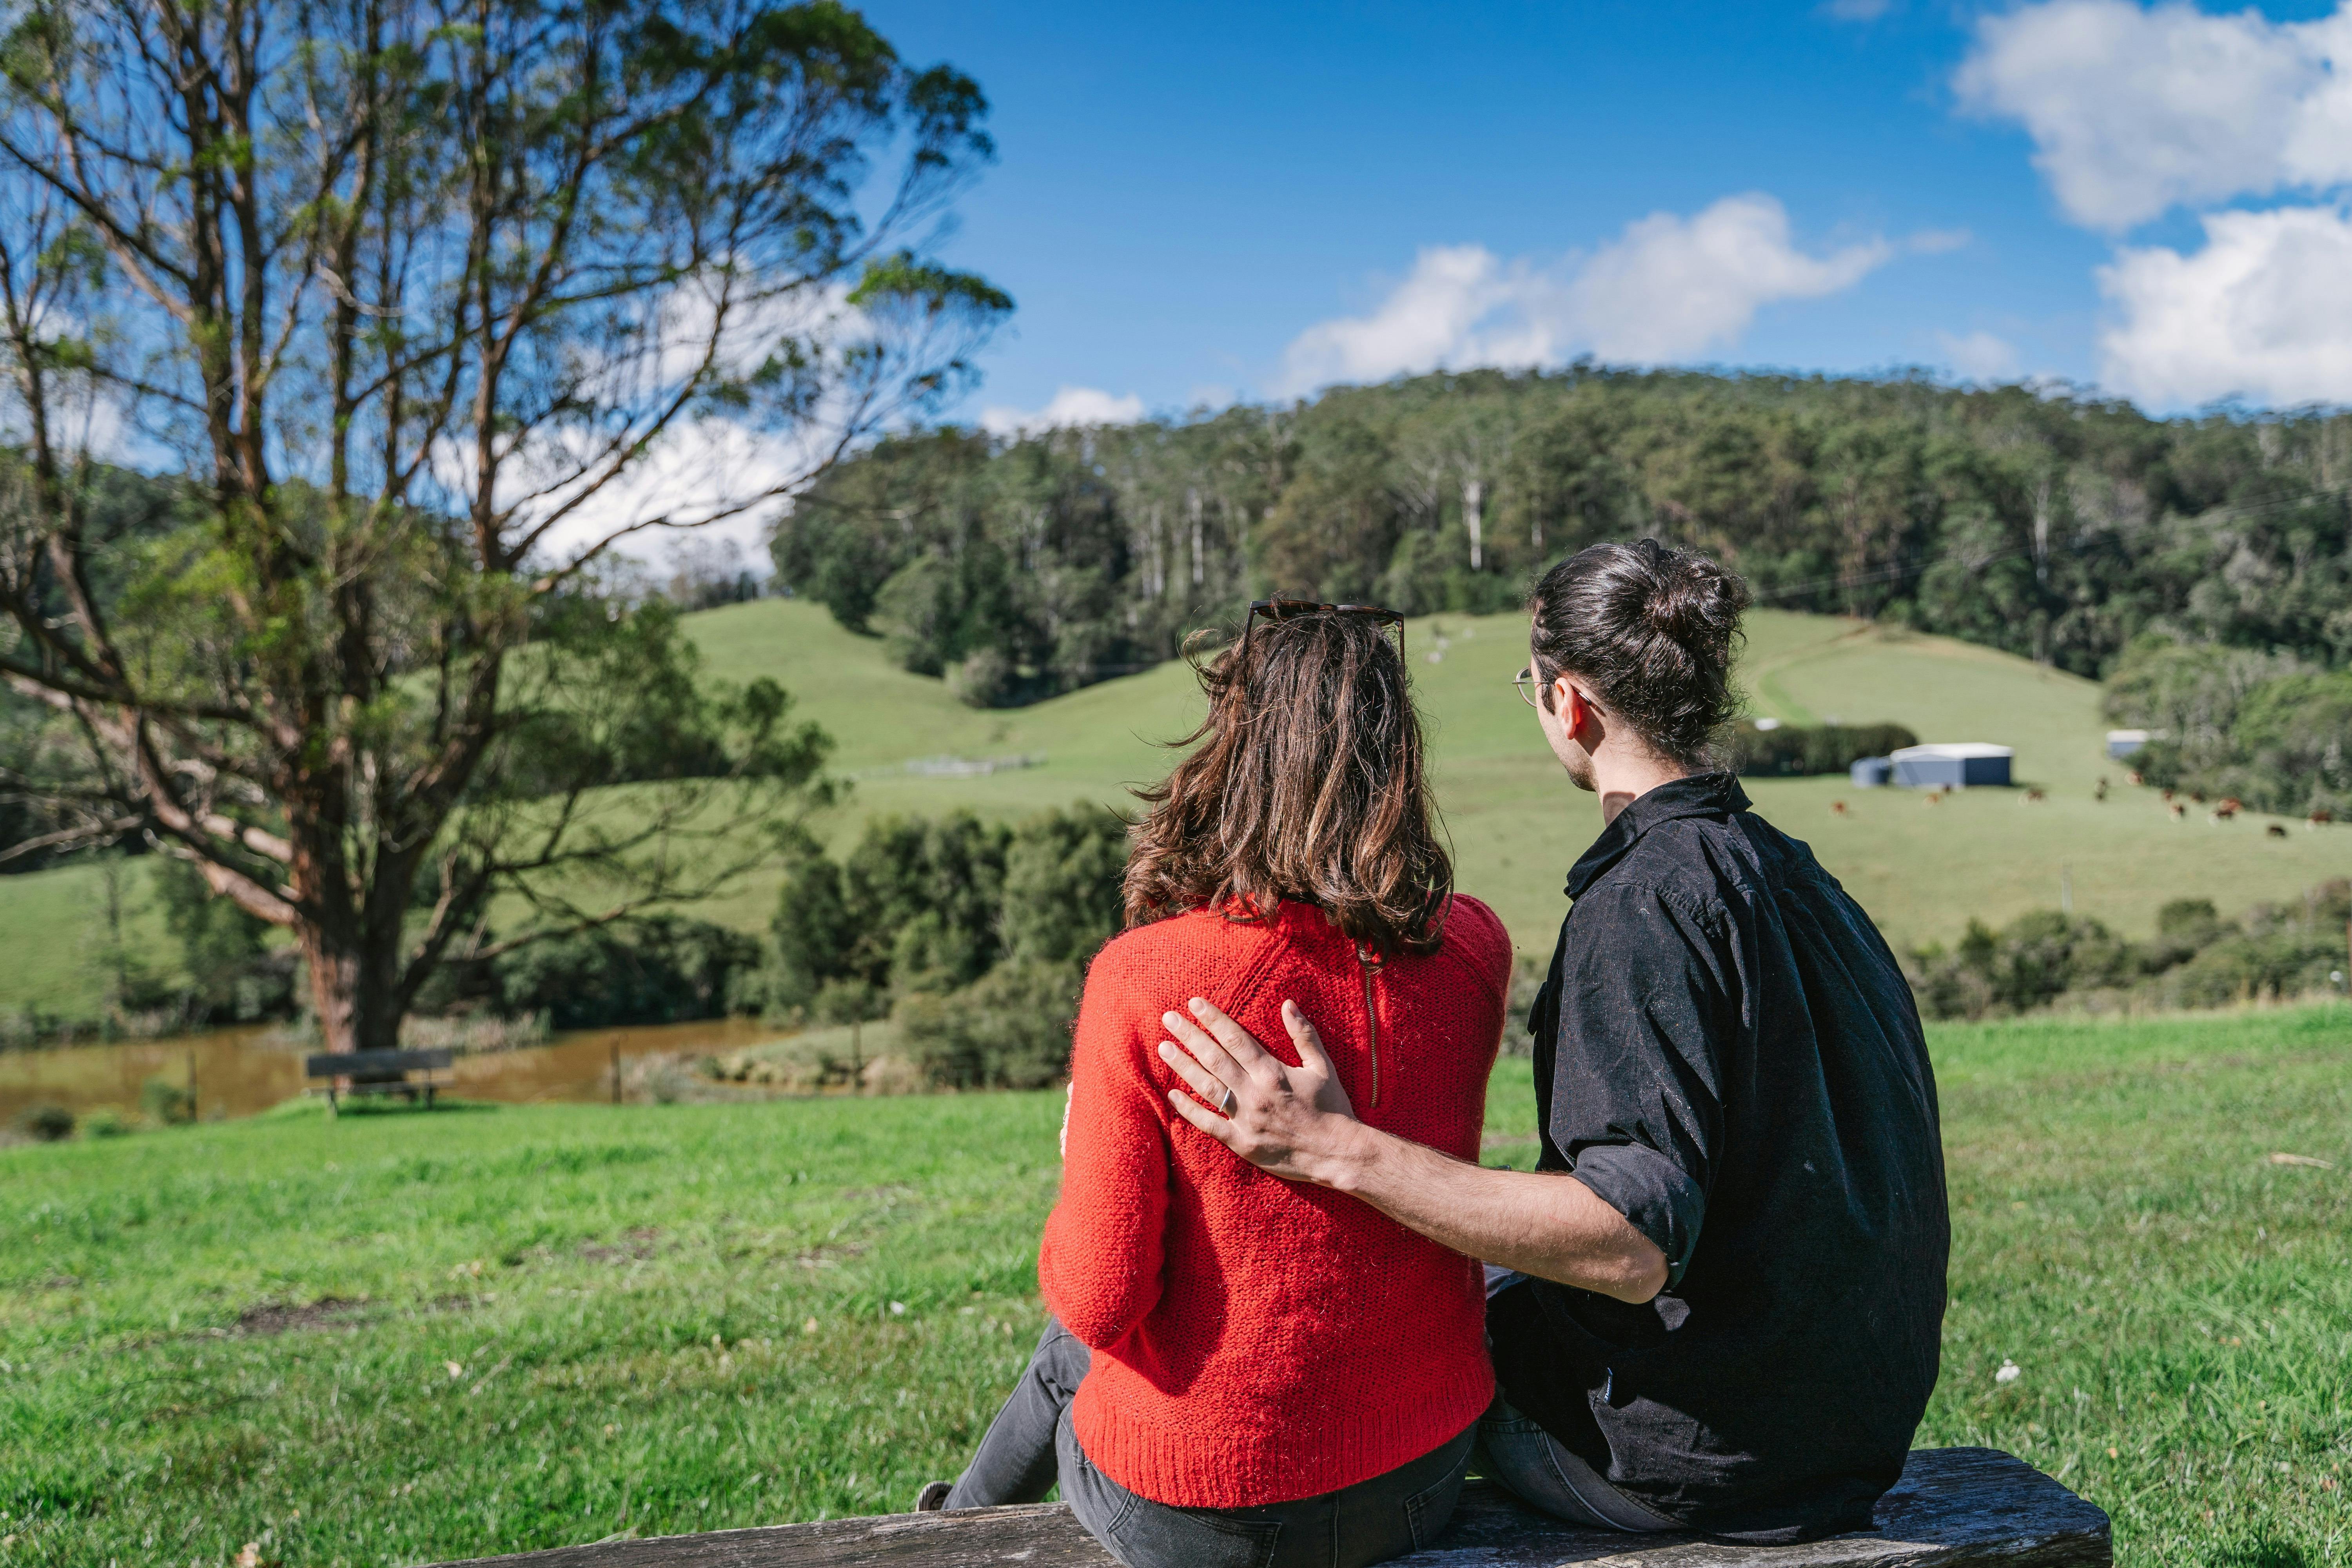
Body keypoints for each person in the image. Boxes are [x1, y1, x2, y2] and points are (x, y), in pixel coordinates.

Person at [1160, 541, 1950, 1544]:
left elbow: (1629, 1242)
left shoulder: (1644, 904)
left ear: (1568, 702)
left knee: (1388, 1321)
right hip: (1843, 1427)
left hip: (1693, 1461)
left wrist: (1335, 1149)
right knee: (1477, 1277)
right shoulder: (1794, 874)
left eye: (1532, 684)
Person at [922, 601, 1515, 1568]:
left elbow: (1101, 1297)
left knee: (1069, 1345)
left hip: (1197, 1513)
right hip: (1422, 1477)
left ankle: (938, 1537)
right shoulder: (1476, 947)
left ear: (1235, 751)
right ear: (1399, 757)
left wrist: (1081, 1155)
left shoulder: (1144, 977)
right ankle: (935, 1530)